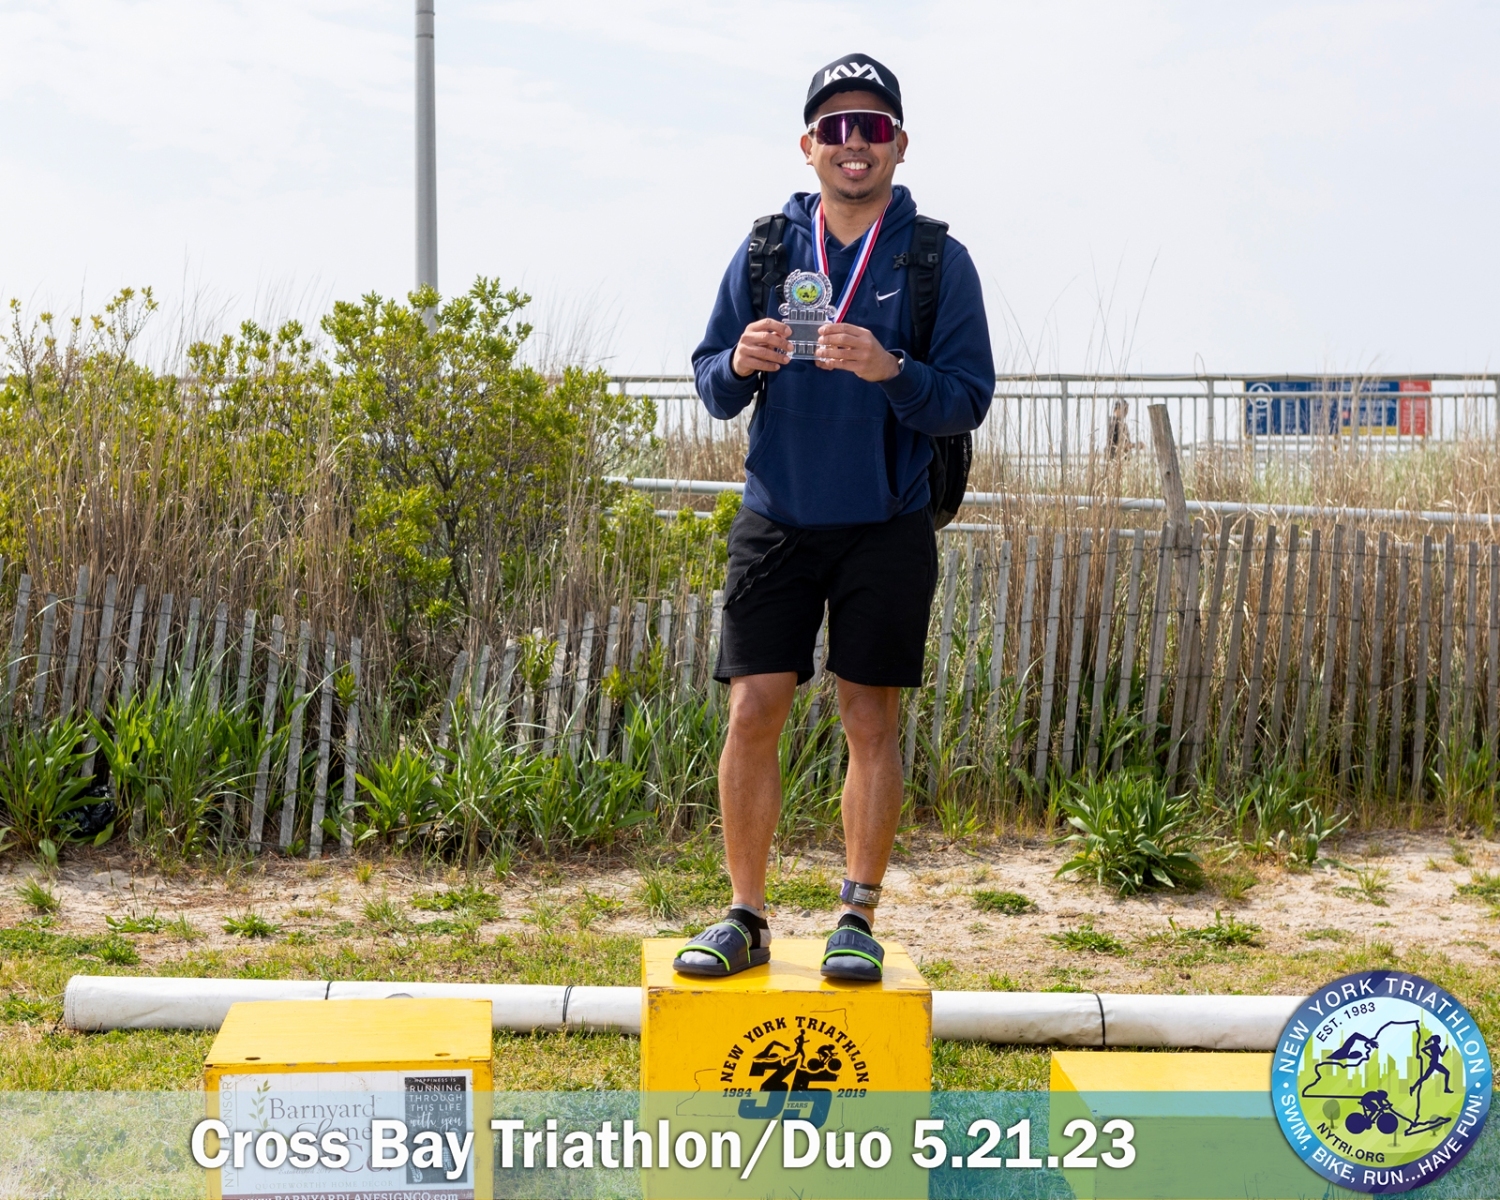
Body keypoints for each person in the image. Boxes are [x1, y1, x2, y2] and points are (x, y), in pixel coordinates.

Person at [675, 54, 994, 981]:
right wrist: (742, 359)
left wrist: (891, 368)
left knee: (869, 717)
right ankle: (745, 914)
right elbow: (710, 385)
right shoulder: (770, 246)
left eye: (873, 126)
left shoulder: (935, 259)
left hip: (887, 519)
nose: (855, 143)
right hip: (778, 514)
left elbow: (966, 400)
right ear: (809, 145)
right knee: (753, 709)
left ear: (899, 144)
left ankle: (856, 918)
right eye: (837, 128)